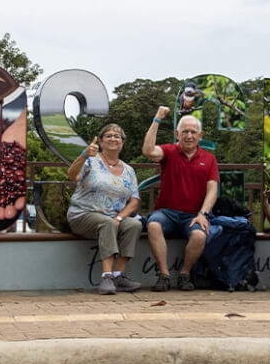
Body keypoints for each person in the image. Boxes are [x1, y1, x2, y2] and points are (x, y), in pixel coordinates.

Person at [142, 106, 219, 292]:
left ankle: (185, 274)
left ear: (200, 135)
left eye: (193, 132)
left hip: (193, 215)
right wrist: (157, 118)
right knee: (153, 225)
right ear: (177, 134)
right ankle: (164, 275)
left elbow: (212, 191)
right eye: (185, 131)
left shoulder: (209, 159)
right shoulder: (169, 152)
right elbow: (148, 150)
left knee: (200, 234)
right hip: (166, 213)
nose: (189, 135)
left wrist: (203, 214)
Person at [67, 124, 143, 295]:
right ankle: (106, 276)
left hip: (111, 218)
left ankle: (119, 275)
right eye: (108, 135)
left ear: (122, 142)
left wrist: (120, 218)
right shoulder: (91, 161)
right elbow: (72, 175)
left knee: (133, 225)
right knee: (107, 223)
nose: (113, 138)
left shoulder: (129, 170)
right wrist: (84, 155)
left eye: (117, 136)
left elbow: (134, 200)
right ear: (101, 141)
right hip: (83, 215)